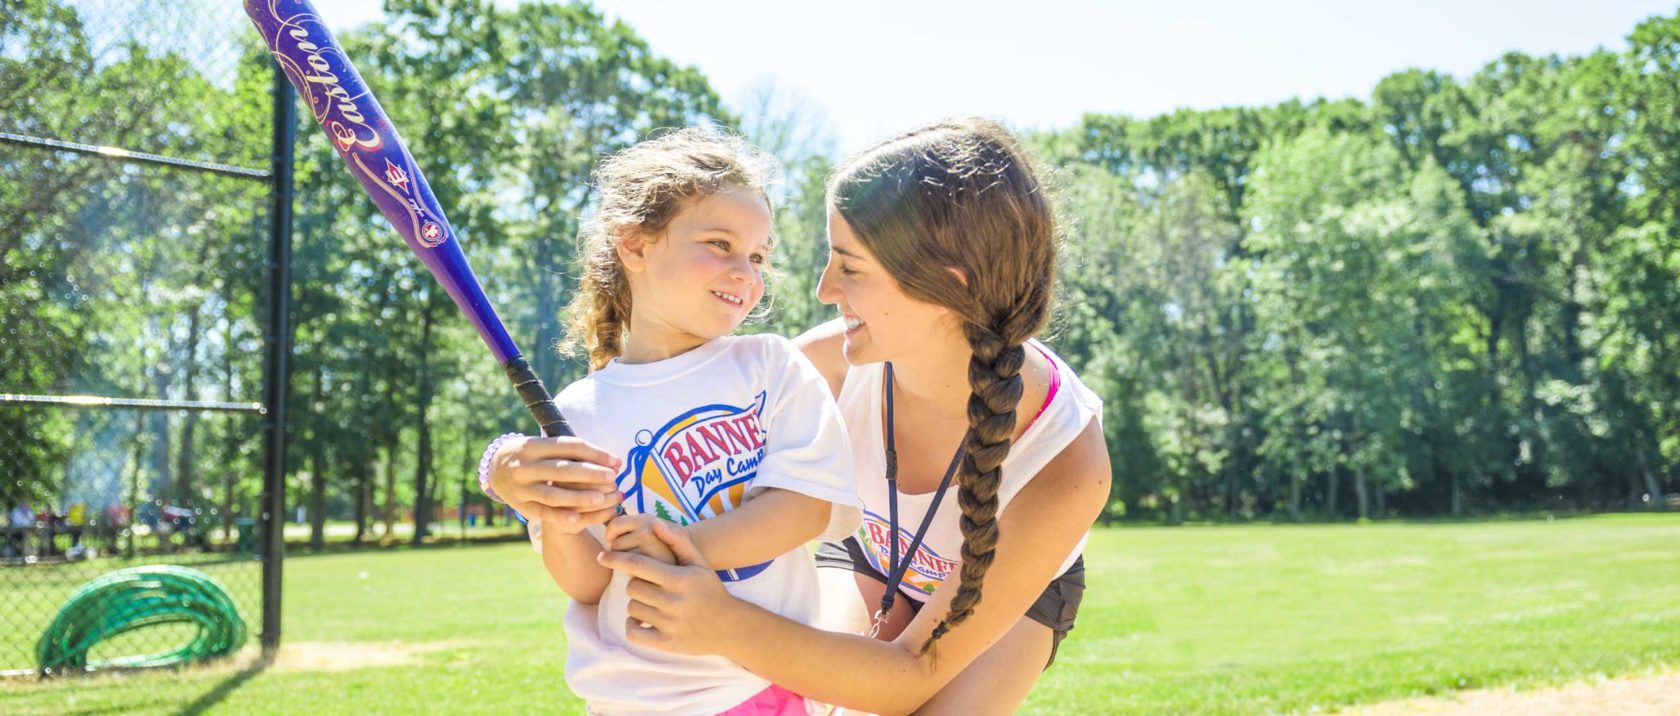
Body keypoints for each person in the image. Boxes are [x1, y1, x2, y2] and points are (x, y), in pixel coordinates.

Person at [488, 118, 1111, 714]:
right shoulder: (823, 362)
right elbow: (661, 393)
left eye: (850, 266)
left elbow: (908, 676)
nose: (822, 290)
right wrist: (509, 467)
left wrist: (723, 621)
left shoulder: (1068, 458)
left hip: (1008, 594)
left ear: (946, 283)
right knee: (824, 696)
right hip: (870, 555)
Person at [480, 127, 859, 715]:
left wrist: (676, 547)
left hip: (751, 684)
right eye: (719, 244)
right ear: (634, 244)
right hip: (630, 697)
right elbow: (588, 584)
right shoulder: (575, 413)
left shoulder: (769, 365)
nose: (746, 272)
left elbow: (803, 507)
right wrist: (558, 519)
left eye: (757, 256)